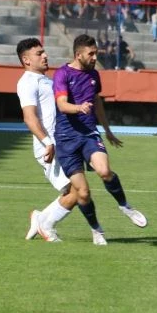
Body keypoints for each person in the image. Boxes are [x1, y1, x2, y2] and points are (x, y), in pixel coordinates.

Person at [52, 34, 148, 245]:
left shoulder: (94, 75)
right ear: (78, 54)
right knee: (83, 193)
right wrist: (79, 108)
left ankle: (125, 206)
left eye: (96, 53)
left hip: (88, 134)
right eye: (91, 54)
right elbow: (62, 105)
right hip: (66, 139)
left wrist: (107, 130)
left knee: (104, 171)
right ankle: (96, 229)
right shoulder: (62, 74)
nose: (95, 57)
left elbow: (97, 102)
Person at [16, 38, 90, 243]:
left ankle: (41, 219)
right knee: (79, 191)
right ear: (26, 60)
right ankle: (45, 224)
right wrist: (47, 141)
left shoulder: (47, 81)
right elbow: (29, 117)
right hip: (50, 147)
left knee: (77, 190)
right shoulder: (27, 82)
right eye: (39, 53)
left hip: (65, 143)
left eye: (44, 52)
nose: (45, 56)